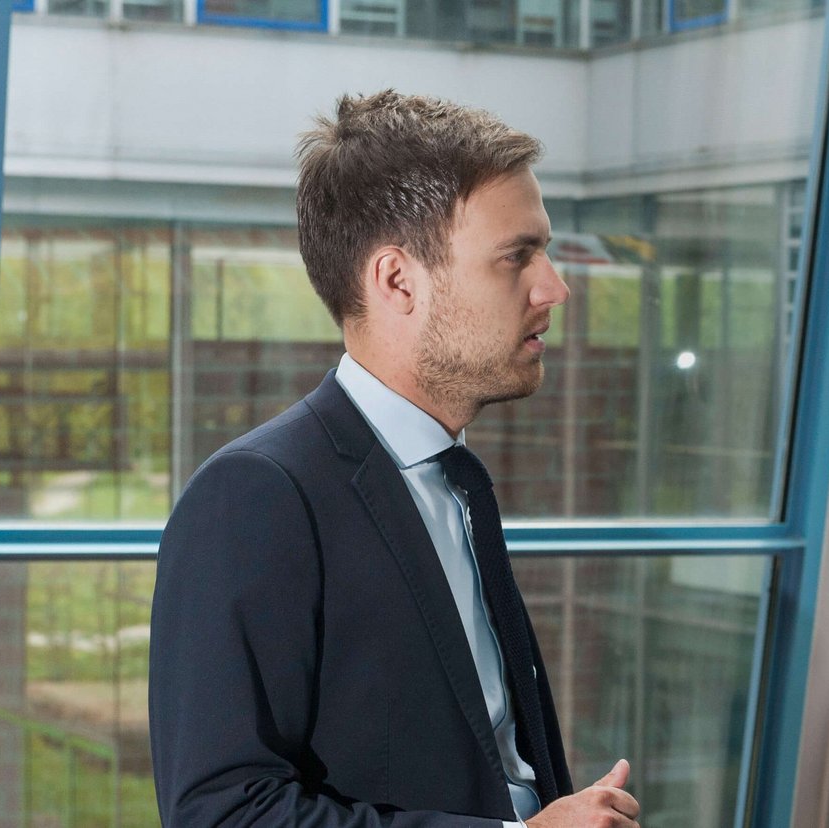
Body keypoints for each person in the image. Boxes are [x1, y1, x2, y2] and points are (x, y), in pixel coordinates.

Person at [149, 90, 640, 827]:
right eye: (518, 257)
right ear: (398, 282)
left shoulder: (457, 482)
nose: (554, 288)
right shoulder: (258, 497)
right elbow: (226, 815)